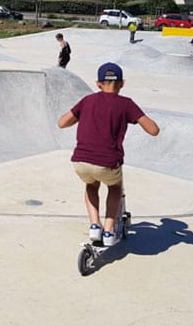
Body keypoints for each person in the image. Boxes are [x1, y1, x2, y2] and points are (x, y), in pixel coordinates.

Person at [58, 63, 159, 247]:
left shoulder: (87, 100)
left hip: (80, 161)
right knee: (114, 188)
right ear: (122, 83)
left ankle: (95, 225)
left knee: (91, 185)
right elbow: (154, 130)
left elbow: (62, 122)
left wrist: (82, 115)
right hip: (107, 163)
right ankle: (109, 229)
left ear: (98, 84)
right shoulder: (126, 104)